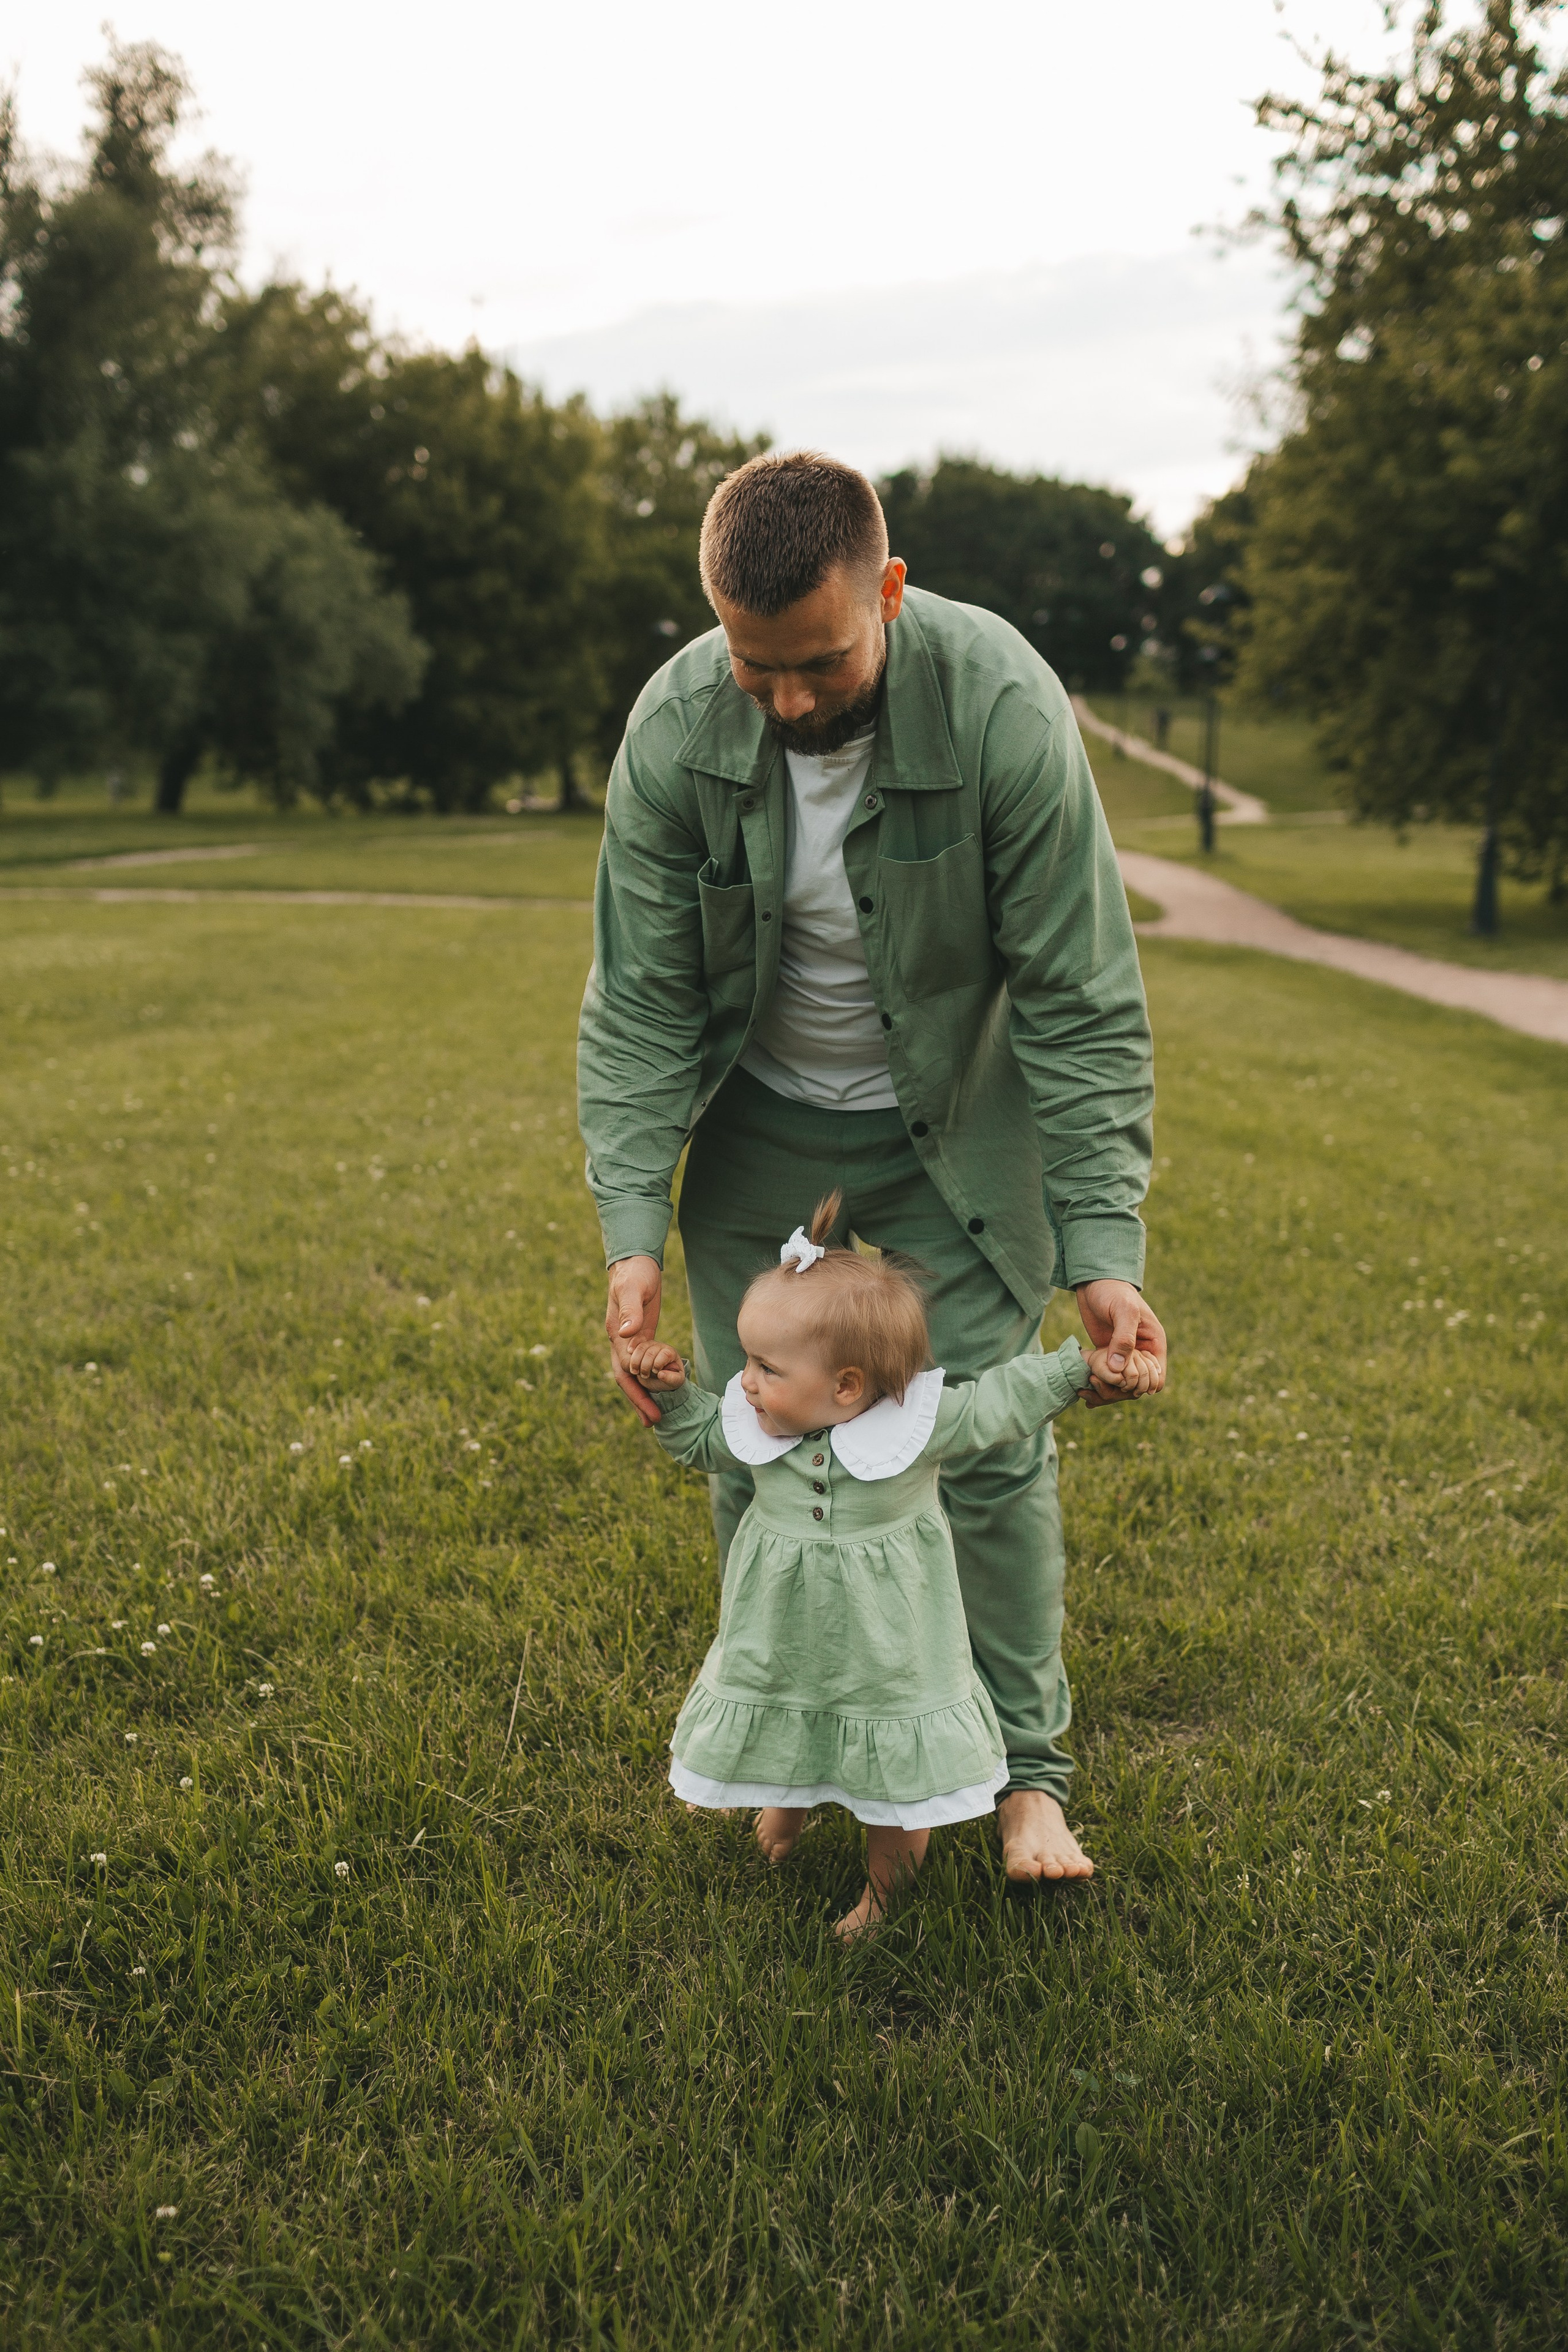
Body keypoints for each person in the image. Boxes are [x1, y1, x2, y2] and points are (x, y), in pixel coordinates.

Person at [578, 451, 1165, 1886]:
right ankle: (790, 1755)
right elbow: (641, 998)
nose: (782, 699)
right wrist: (629, 1222)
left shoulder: (1000, 703)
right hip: (759, 1132)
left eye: (818, 661)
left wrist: (1100, 1249)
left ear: (885, 591)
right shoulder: (673, 727)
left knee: (981, 1452)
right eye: (750, 663)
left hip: (947, 1130)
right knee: (761, 1447)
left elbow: (1076, 991)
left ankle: (1025, 1776)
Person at [626, 1195, 1163, 1938]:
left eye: (765, 1366)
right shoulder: (757, 1418)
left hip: (891, 1641)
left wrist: (1078, 1367)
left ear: (847, 1387)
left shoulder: (914, 1425)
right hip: (782, 1626)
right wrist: (672, 1392)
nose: (744, 1381)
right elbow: (695, 1443)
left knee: (893, 1768)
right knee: (790, 1702)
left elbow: (1000, 1401)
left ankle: (884, 1896)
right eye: (746, 1361)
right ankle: (788, 1801)